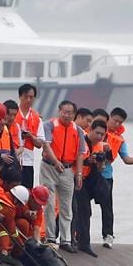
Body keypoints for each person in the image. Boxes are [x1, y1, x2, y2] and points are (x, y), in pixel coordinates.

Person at [40, 100, 87, 253]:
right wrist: (55, 161)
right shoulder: (49, 125)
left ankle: (66, 239)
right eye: (64, 112)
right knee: (49, 202)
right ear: (59, 111)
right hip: (49, 167)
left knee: (66, 206)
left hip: (67, 170)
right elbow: (46, 144)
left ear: (74, 114)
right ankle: (50, 237)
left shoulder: (78, 131)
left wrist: (78, 173)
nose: (66, 115)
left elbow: (80, 153)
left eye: (70, 113)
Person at [98, 107, 133, 248]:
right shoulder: (97, 131)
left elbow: (126, 159)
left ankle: (108, 235)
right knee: (82, 207)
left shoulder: (119, 139)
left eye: (120, 122)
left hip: (106, 175)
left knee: (107, 207)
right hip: (90, 173)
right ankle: (77, 236)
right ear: (109, 117)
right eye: (115, 120)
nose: (117, 124)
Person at [71, 119, 112, 257]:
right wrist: (87, 161)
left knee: (104, 191)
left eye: (102, 134)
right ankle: (79, 241)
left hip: (89, 179)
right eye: (97, 133)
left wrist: (100, 163)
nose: (99, 137)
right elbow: (73, 160)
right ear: (91, 130)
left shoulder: (99, 146)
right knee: (81, 211)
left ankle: (81, 241)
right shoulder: (81, 141)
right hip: (76, 178)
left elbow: (100, 169)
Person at [16, 84, 53, 189]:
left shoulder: (37, 118)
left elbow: (40, 144)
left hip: (28, 161)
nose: (28, 100)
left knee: (27, 192)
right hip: (13, 159)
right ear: (20, 96)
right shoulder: (12, 113)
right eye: (26, 96)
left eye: (31, 97)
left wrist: (31, 136)